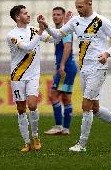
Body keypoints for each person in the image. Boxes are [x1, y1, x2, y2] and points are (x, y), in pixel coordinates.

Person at [38, 0, 111, 152]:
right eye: (76, 6)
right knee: (95, 108)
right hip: (84, 68)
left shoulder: (101, 21)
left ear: (89, 4)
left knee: (86, 105)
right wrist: (46, 26)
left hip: (98, 68)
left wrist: (107, 53)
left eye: (81, 6)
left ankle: (82, 144)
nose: (78, 10)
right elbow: (58, 35)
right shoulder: (75, 21)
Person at [7, 5, 47, 152]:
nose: (28, 15)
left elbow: (53, 39)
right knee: (20, 108)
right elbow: (28, 47)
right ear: (18, 17)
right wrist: (41, 31)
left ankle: (35, 135)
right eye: (25, 13)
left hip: (33, 75)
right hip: (18, 75)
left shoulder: (35, 30)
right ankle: (26, 142)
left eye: (28, 12)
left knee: (32, 105)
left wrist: (58, 26)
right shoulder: (11, 35)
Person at [44, 7, 77, 135]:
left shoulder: (65, 31)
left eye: (58, 14)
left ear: (63, 17)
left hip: (67, 67)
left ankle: (58, 126)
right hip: (68, 67)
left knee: (53, 95)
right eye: (54, 14)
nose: (55, 16)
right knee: (66, 98)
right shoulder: (58, 31)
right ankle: (66, 129)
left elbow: (67, 47)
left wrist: (62, 66)